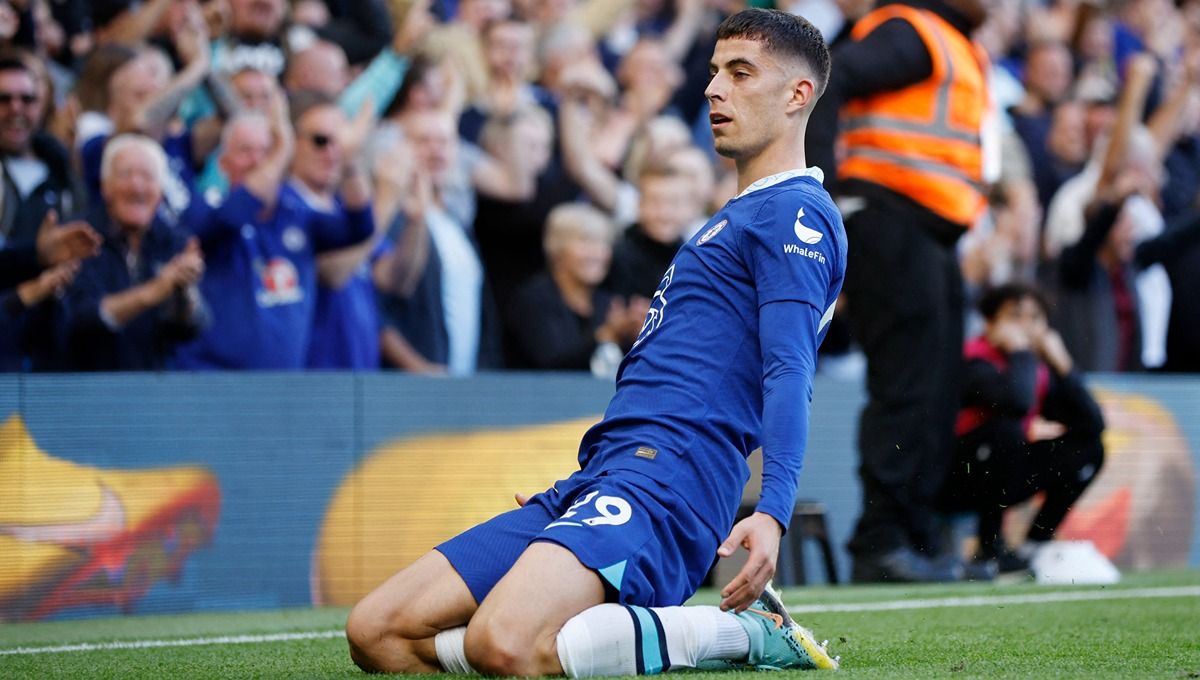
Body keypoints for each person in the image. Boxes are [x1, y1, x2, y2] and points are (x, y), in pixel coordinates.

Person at [347, 9, 844, 676]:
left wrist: (774, 512)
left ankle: (736, 634)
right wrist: (591, 477)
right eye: (713, 71)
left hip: (673, 479)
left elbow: (790, 370)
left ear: (797, 95)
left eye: (740, 72)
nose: (713, 89)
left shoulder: (795, 215)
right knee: (375, 631)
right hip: (606, 474)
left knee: (505, 641)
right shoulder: (733, 219)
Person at [806, 0, 990, 583]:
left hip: (929, 230)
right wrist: (818, 193)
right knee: (908, 386)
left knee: (937, 392)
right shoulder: (913, 30)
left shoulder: (948, 41)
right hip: (888, 216)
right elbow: (824, 78)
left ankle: (914, 538)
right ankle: (881, 541)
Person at [938, 282, 1105, 579]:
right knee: (1007, 430)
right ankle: (989, 548)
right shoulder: (974, 360)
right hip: (953, 479)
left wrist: (1065, 366)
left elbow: (1093, 425)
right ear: (990, 324)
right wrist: (1020, 352)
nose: (1026, 327)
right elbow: (1016, 401)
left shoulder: (1036, 370)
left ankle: (1035, 544)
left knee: (1090, 448)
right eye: (1015, 317)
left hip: (1001, 476)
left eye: (1035, 318)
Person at [62, 134, 208, 371]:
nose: (137, 186)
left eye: (148, 177)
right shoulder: (77, 237)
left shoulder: (174, 240)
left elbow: (192, 328)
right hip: (81, 391)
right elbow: (80, 318)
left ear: (160, 193)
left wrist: (185, 291)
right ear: (105, 186)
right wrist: (155, 291)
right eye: (126, 174)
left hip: (150, 393)